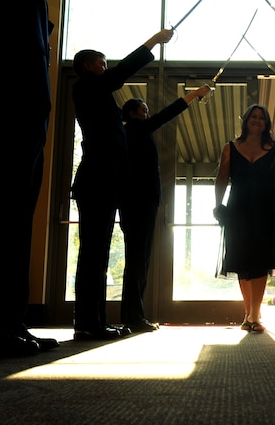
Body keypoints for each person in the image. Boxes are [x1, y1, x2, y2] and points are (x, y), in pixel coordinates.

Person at [0, 0, 163, 357]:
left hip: (22, 117)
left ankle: (8, 324)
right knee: (1, 221)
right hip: (8, 114)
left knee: (14, 223)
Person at [71, 28, 174, 341]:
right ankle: (89, 323)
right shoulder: (87, 87)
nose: (105, 68)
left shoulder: (100, 97)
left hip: (104, 182)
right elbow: (120, 73)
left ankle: (92, 321)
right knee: (94, 254)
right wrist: (153, 41)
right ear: (88, 66)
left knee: (98, 253)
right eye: (101, 63)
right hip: (97, 181)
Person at [118, 84, 212, 333]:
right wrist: (194, 95)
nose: (148, 114)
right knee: (139, 259)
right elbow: (167, 114)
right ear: (132, 114)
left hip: (136, 202)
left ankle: (133, 315)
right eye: (144, 110)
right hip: (139, 202)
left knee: (138, 259)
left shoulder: (132, 133)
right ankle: (133, 317)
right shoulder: (136, 129)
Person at [214, 104, 275, 333]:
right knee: (241, 261)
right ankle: (249, 314)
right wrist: (218, 206)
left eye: (261, 118)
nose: (257, 120)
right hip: (237, 211)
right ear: (246, 121)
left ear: (266, 124)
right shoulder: (230, 148)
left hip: (266, 211)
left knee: (261, 261)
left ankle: (255, 315)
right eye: (253, 117)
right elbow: (221, 178)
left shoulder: (274, 150)